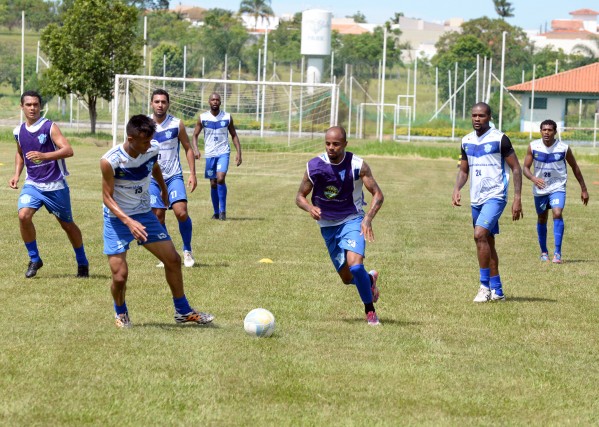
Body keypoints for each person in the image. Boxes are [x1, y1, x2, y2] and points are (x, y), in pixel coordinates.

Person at [100, 114, 214, 328]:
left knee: (172, 259)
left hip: (144, 213)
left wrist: (163, 189)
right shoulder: (110, 161)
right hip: (117, 219)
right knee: (120, 276)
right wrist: (128, 222)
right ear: (131, 139)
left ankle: (183, 311)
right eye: (145, 141)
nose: (150, 145)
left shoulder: (151, 149)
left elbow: (154, 167)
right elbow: (106, 197)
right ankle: (121, 312)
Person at [296, 126, 384, 326]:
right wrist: (309, 208)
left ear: (345, 144)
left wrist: (368, 218)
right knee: (346, 278)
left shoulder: (357, 165)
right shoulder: (314, 166)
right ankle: (369, 281)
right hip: (327, 226)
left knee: (355, 266)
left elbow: (378, 194)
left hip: (352, 219)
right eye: (327, 143)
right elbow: (299, 197)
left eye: (336, 144)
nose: (331, 148)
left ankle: (370, 311)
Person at [9, 90, 89, 278]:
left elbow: (68, 150)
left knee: (68, 226)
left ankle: (82, 262)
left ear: (40, 106)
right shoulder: (17, 131)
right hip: (33, 185)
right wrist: (16, 174)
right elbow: (20, 153)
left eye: (36, 104)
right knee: (23, 216)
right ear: (22, 107)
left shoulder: (49, 127)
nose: (32, 108)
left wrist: (44, 156)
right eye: (28, 105)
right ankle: (35, 258)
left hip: (55, 186)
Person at [452, 102, 523, 303]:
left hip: (496, 195)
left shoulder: (500, 139)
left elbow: (516, 168)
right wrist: (457, 188)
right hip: (476, 199)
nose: (477, 119)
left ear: (489, 117)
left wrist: (517, 198)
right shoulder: (466, 141)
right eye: (474, 115)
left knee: (479, 235)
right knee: (488, 242)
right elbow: (464, 170)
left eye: (481, 116)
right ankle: (497, 290)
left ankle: (484, 287)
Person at [523, 119, 589, 264]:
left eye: (550, 130)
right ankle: (544, 252)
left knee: (557, 213)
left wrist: (583, 189)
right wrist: (534, 179)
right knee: (542, 218)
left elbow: (575, 167)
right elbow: (525, 168)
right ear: (540, 131)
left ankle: (557, 253)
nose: (546, 132)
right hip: (540, 189)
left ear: (555, 132)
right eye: (544, 130)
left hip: (558, 187)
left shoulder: (563, 148)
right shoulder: (533, 147)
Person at [149, 89, 199, 268]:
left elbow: (188, 148)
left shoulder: (177, 124)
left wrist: (192, 174)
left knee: (181, 212)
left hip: (173, 176)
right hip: (152, 178)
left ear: (168, 104)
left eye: (163, 102)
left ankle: (187, 250)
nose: (160, 105)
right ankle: (168, 253)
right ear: (151, 104)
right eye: (157, 101)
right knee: (158, 216)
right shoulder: (145, 125)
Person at [192, 92, 242, 221]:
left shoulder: (227, 117)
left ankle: (223, 211)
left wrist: (239, 153)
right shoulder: (202, 118)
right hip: (210, 154)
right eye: (213, 100)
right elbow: (195, 135)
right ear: (209, 102)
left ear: (220, 102)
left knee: (220, 178)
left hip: (223, 152)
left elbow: (234, 135)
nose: (215, 102)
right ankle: (216, 212)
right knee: (213, 183)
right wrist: (196, 150)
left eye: (217, 100)